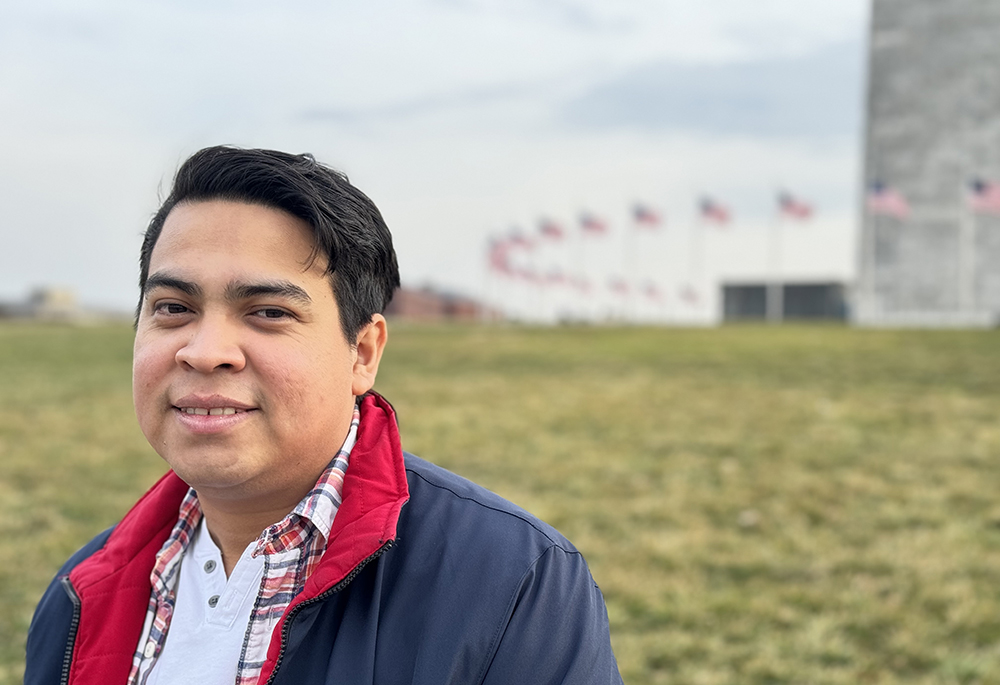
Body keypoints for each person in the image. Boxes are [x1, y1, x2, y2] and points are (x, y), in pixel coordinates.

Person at [25, 146, 623, 684]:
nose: (204, 352)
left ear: (362, 353)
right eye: (174, 307)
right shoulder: (79, 594)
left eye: (267, 312)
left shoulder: (515, 584)